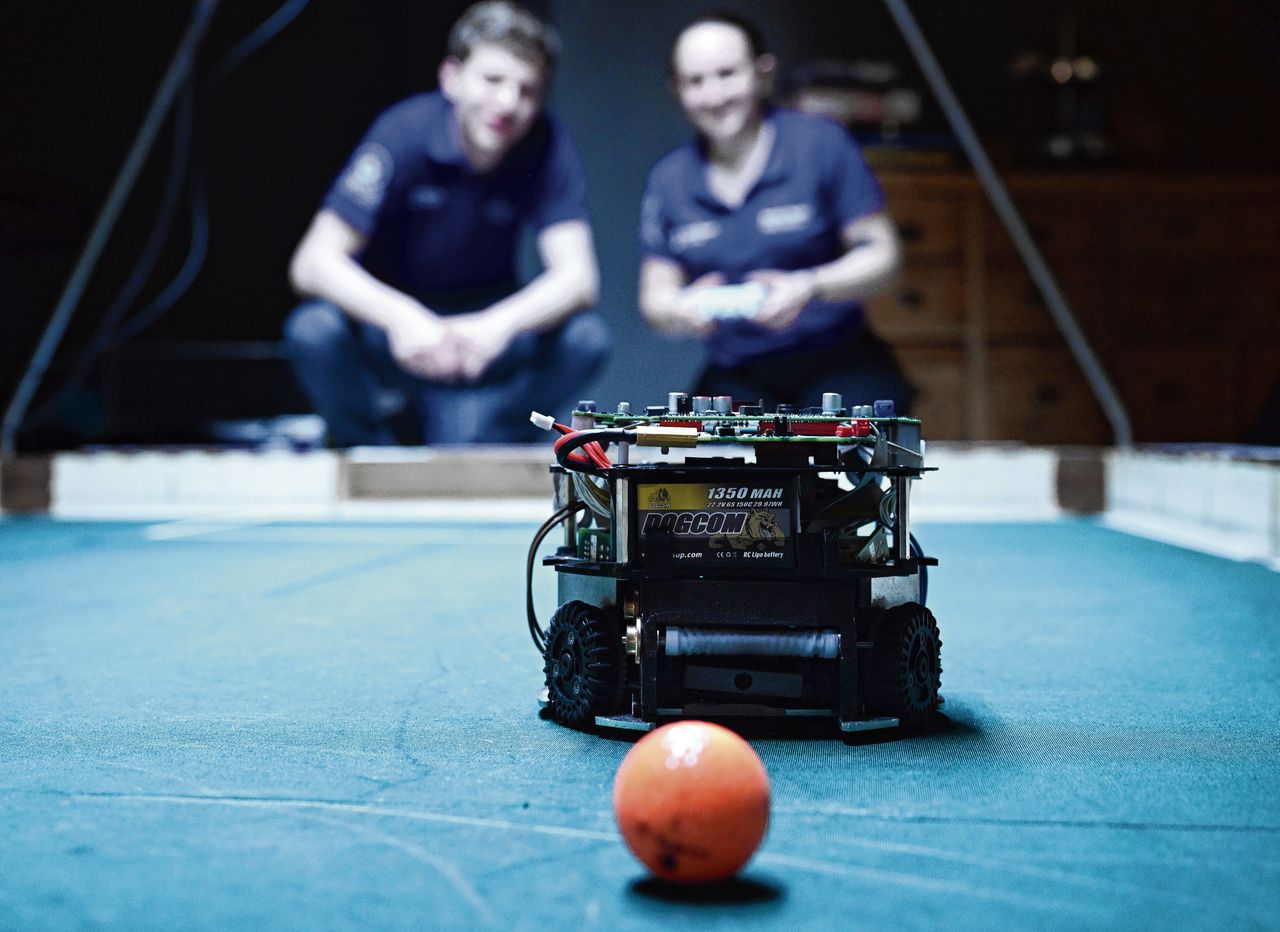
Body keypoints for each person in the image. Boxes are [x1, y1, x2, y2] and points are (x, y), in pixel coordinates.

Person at [285, 1, 607, 446]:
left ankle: (494, 449)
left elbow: (579, 279)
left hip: (489, 322)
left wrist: (499, 324)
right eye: (493, 80)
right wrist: (401, 317)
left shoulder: (546, 143)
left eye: (527, 89)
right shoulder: (403, 131)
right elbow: (312, 262)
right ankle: (371, 456)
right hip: (400, 319)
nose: (508, 103)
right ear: (451, 78)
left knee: (586, 339)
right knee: (313, 329)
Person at [638, 11, 913, 413]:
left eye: (727, 74)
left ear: (762, 73)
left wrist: (808, 285)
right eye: (695, 81)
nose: (714, 96)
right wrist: (682, 308)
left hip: (837, 358)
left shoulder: (821, 144)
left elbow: (884, 258)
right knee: (704, 463)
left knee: (855, 452)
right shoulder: (669, 180)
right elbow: (655, 299)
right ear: (676, 90)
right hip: (737, 373)